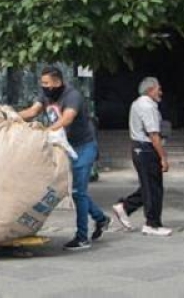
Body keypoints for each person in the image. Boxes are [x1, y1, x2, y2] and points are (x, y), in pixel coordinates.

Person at [19, 66, 109, 250]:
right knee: (75, 191)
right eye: (42, 83)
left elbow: (67, 119)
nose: (43, 87)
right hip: (64, 148)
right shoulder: (46, 96)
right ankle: (101, 218)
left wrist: (44, 132)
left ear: (57, 82)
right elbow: (32, 111)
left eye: (46, 84)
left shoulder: (72, 96)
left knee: (78, 192)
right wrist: (8, 117)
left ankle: (82, 237)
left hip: (83, 148)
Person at [112, 77, 172, 236]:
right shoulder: (147, 106)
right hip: (146, 149)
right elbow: (153, 134)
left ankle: (125, 207)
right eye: (158, 89)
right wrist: (163, 157)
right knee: (153, 188)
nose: (161, 92)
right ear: (150, 90)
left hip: (140, 148)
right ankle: (152, 224)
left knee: (149, 185)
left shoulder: (138, 103)